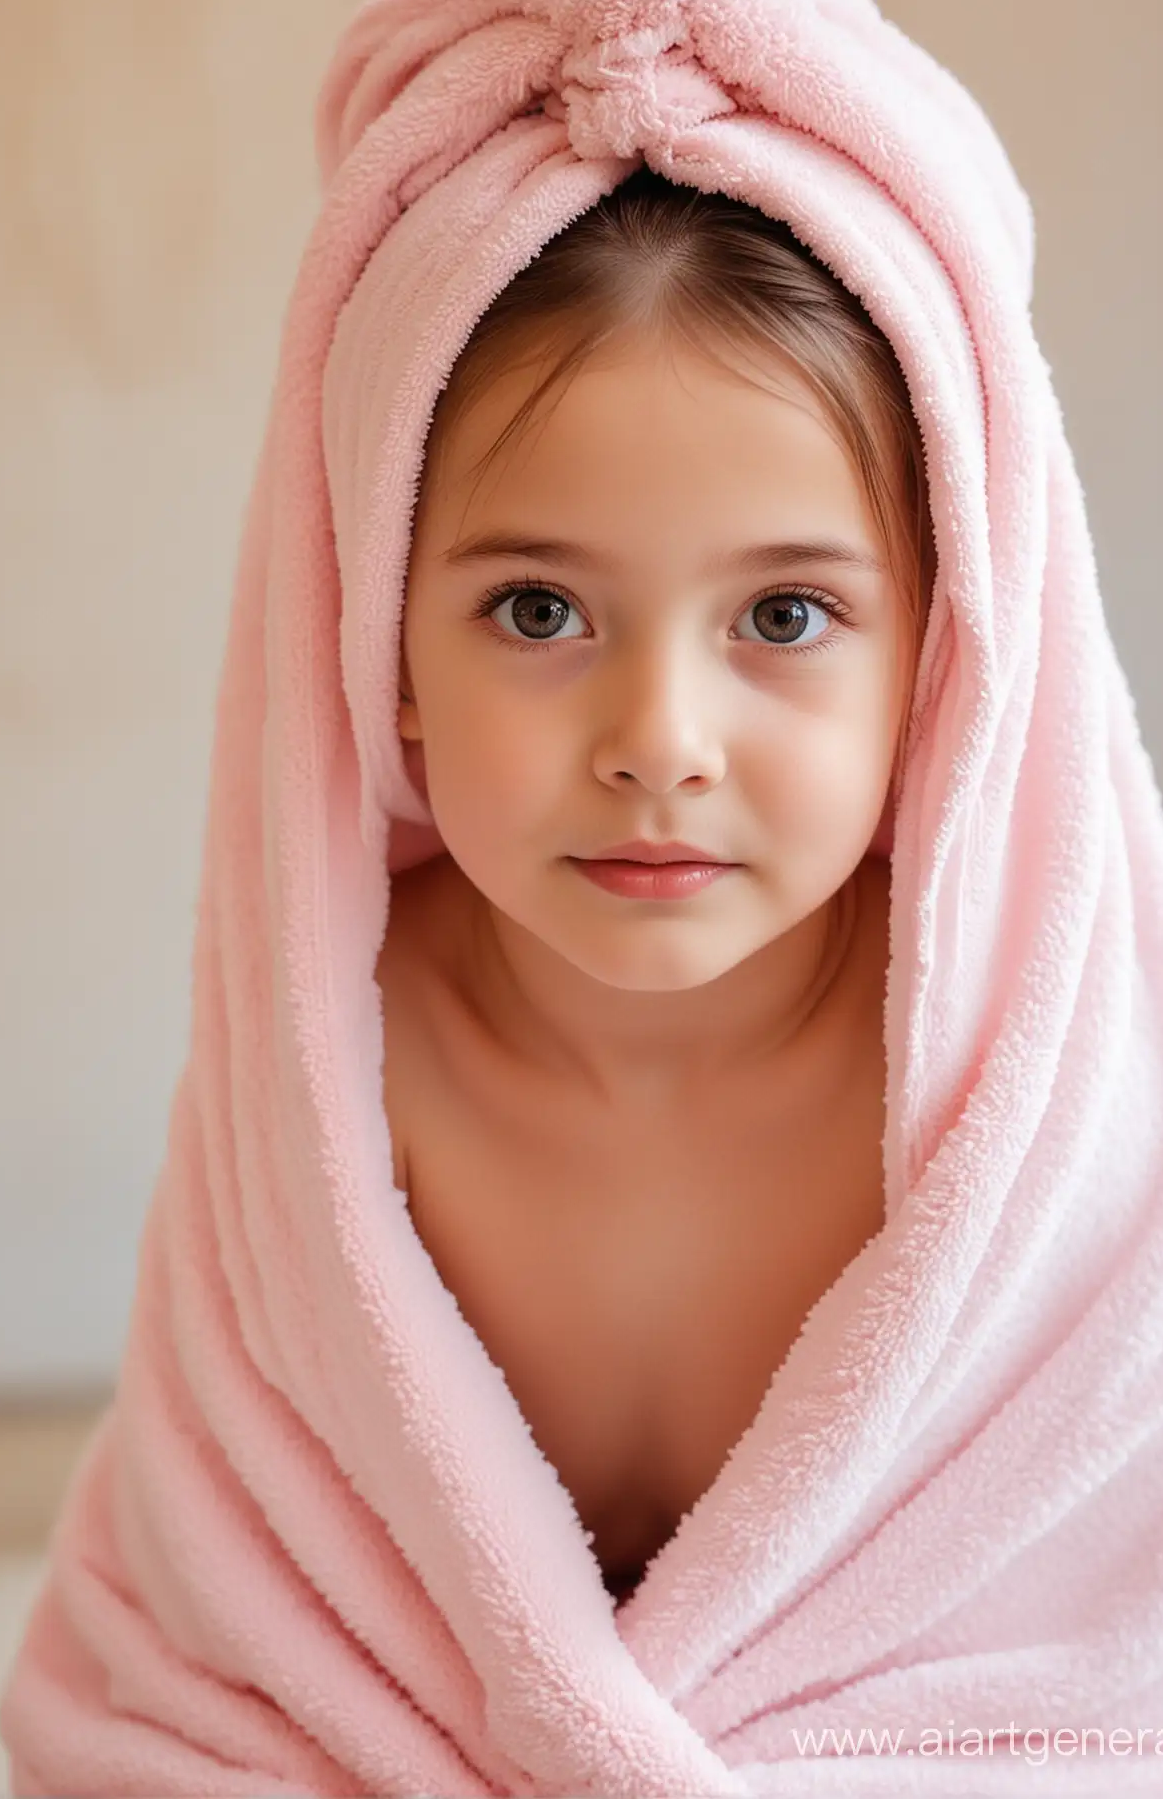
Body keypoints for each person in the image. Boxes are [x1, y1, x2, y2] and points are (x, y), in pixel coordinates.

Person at [375, 165, 936, 1605]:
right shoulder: (334, 1047)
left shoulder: (988, 1063)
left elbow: (1159, 1587)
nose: (661, 747)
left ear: (936, 658)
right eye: (540, 609)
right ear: (387, 647)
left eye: (785, 614)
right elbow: (238, 1589)